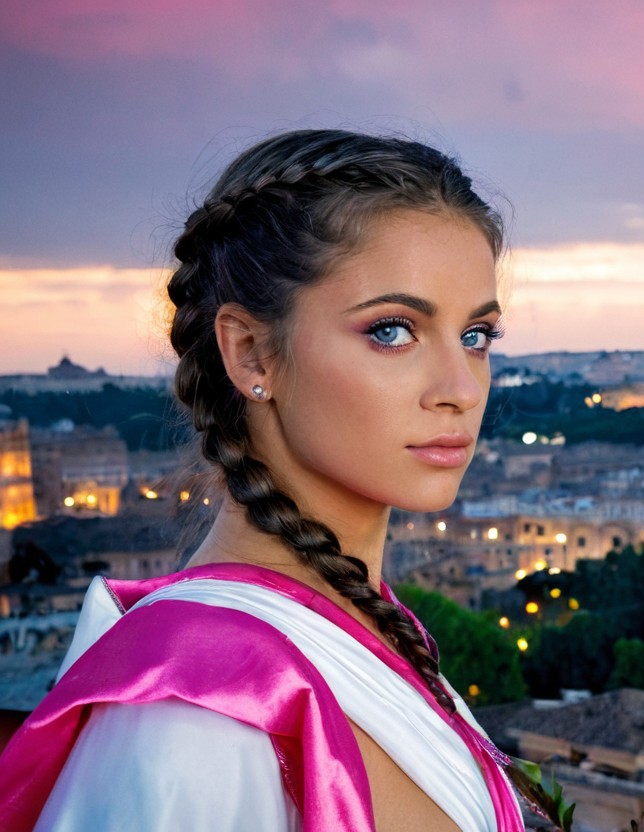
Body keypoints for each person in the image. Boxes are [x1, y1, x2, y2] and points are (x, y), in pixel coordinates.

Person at [0, 130, 525, 831]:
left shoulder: (367, 633)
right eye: (393, 331)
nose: (461, 387)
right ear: (250, 353)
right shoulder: (190, 719)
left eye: (476, 336)